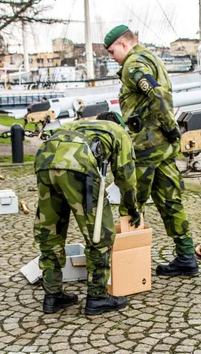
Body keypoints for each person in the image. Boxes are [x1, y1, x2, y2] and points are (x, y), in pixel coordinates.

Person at [103, 25, 199, 277]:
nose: (111, 57)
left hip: (145, 149)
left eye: (112, 52)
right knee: (170, 201)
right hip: (162, 150)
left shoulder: (134, 65)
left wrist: (170, 126)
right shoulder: (152, 58)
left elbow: (157, 94)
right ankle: (186, 256)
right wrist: (169, 133)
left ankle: (129, 269)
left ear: (124, 45)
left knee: (132, 205)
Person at [34, 118, 141, 315]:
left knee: (50, 231)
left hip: (44, 159)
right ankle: (98, 297)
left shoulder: (78, 124)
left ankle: (52, 295)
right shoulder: (118, 131)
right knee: (100, 234)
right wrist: (131, 207)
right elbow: (126, 177)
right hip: (78, 164)